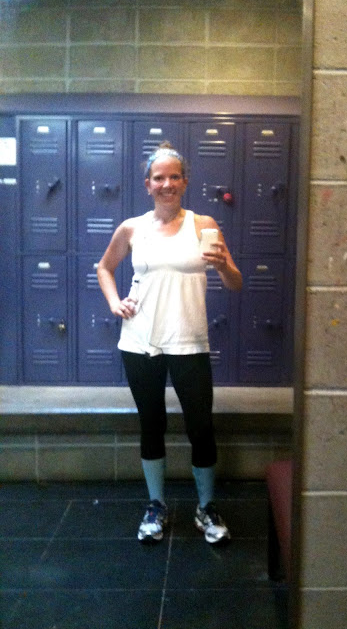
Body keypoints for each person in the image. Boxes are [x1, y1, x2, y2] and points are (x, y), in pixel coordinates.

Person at [97, 142, 242, 545]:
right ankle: (156, 505)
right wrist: (114, 302)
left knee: (201, 427)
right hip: (140, 339)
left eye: (174, 176)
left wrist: (223, 265)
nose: (167, 184)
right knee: (152, 424)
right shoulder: (132, 228)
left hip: (189, 340)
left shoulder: (203, 224)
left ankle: (206, 507)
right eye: (158, 178)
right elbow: (105, 268)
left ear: (185, 181)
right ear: (147, 184)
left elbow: (235, 282)